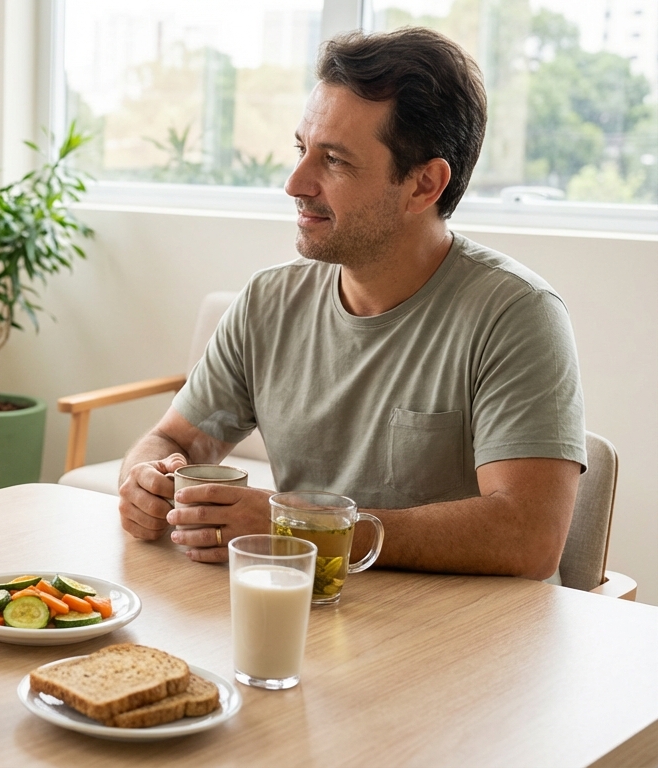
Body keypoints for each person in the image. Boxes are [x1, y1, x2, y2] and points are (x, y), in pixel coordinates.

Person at [118, 27, 585, 580]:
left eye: (334, 160)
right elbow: (176, 439)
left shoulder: (516, 316)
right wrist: (146, 478)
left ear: (423, 185)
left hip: (463, 639)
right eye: (301, 150)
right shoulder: (269, 303)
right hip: (309, 613)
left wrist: (296, 524)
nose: (295, 182)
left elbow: (529, 537)